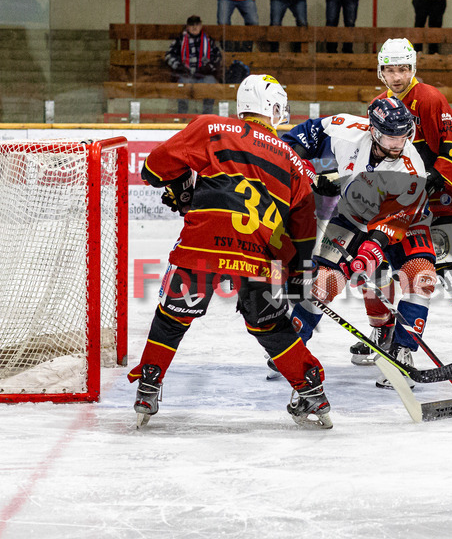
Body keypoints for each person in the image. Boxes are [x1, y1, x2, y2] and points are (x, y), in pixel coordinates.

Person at [129, 74, 330, 429]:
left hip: (203, 243)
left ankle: (148, 384)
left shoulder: (212, 127)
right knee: (269, 324)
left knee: (174, 313)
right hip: (257, 255)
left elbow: (154, 167)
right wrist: (297, 275)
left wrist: (182, 188)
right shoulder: (297, 163)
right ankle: (311, 389)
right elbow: (302, 231)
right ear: (273, 109)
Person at [285, 97, 437, 389]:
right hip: (353, 214)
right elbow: (304, 135)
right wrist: (295, 162)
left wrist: (370, 251)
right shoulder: (347, 130)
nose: (398, 143)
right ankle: (290, 347)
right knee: (325, 281)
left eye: (403, 136)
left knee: (421, 274)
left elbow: (394, 222)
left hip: (407, 219)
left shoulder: (412, 167)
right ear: (374, 131)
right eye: (391, 137)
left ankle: (402, 351)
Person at [371, 38, 452, 371]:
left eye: (402, 69)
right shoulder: (378, 104)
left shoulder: (428, 98)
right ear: (380, 70)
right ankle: (386, 335)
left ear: (413, 69)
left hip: (441, 202)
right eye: (390, 69)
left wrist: (431, 181)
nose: (396, 76)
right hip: (401, 207)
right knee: (386, 268)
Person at [165, 15, 222, 115]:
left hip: (204, 75)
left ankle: (207, 116)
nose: (195, 27)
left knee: (211, 85)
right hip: (186, 74)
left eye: (197, 24)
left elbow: (218, 57)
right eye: (192, 25)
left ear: (201, 26)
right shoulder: (180, 40)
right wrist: (179, 66)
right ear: (187, 27)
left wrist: (209, 67)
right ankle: (182, 117)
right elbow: (169, 55)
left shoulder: (208, 40)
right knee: (182, 86)